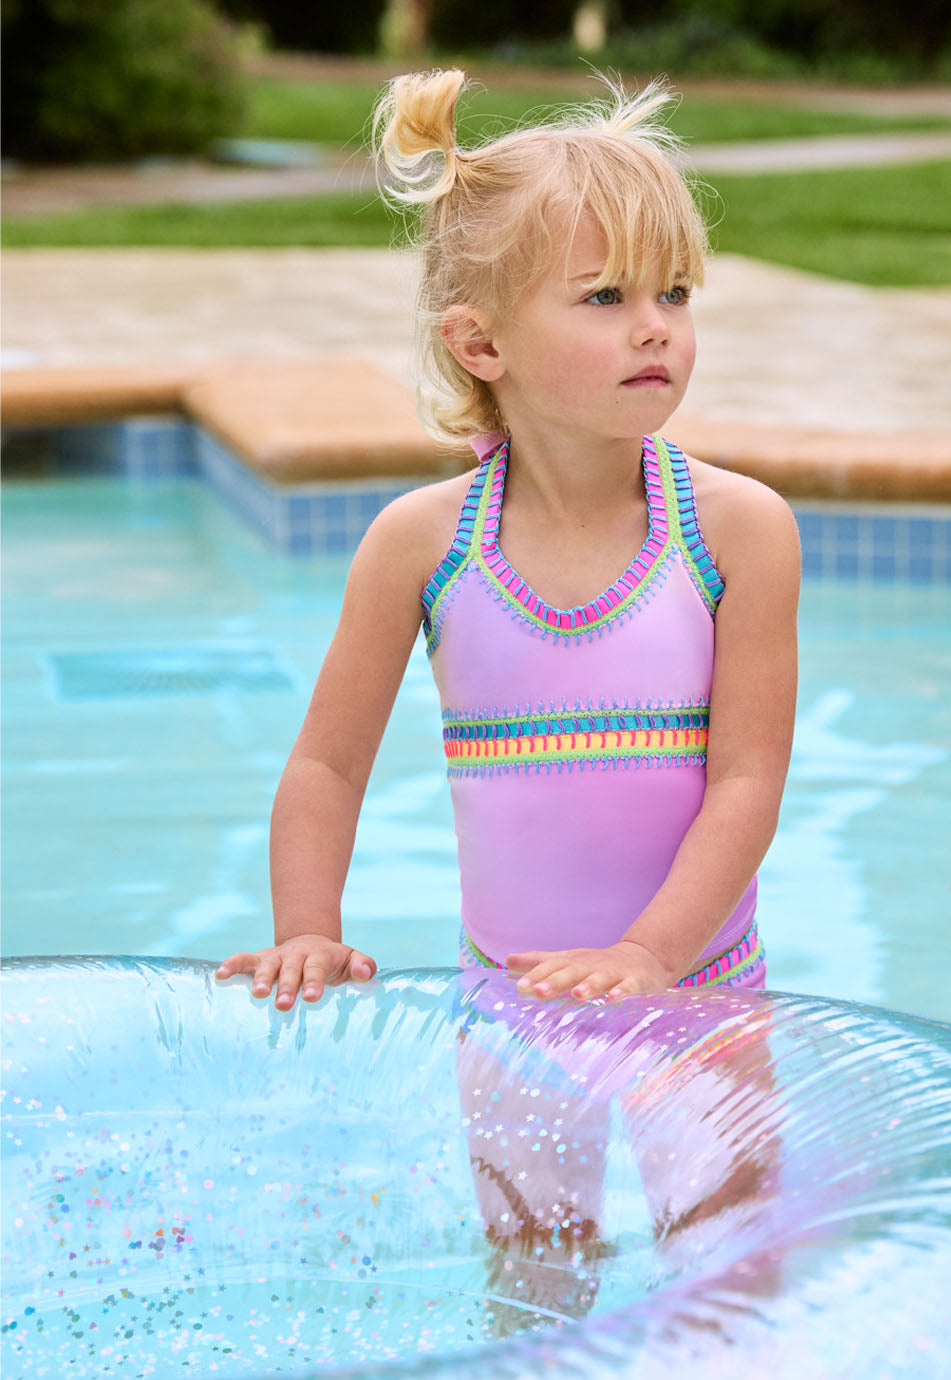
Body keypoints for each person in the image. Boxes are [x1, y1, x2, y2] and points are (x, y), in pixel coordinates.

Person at [215, 68, 800, 1013]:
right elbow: (327, 763)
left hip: (701, 990)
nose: (656, 329)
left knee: (735, 1174)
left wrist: (648, 954)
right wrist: (307, 932)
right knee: (514, 1174)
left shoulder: (738, 532)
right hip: (508, 998)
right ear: (481, 345)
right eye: (606, 298)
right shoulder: (423, 545)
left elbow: (747, 780)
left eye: (676, 293)